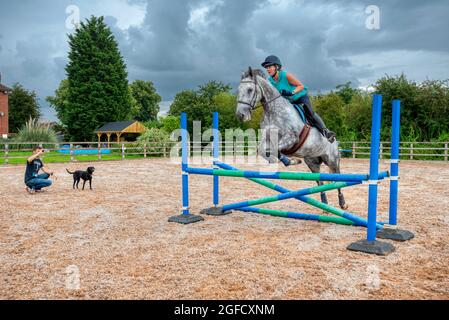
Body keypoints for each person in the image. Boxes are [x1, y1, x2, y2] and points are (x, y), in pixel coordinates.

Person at [261, 55, 336, 142]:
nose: (267, 69)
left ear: (276, 67)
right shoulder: (270, 81)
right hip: (289, 102)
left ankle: (326, 132)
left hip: (300, 97)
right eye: (266, 67)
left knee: (309, 112)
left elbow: (301, 86)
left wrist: (291, 92)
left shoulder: (286, 75)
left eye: (269, 67)